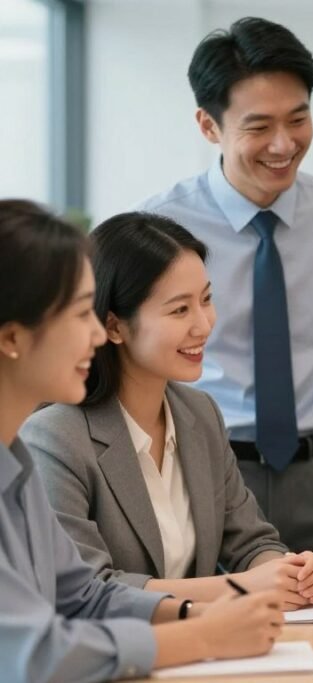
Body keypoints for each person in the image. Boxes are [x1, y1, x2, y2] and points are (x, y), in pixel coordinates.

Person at [139, 17, 313, 579]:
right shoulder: (159, 226)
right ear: (209, 125)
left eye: (298, 119)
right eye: (259, 126)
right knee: (210, 621)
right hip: (200, 466)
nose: (284, 144)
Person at [0, 200, 285, 682]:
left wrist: (200, 615)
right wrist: (204, 635)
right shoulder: (48, 440)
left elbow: (83, 596)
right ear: (12, 338)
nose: (97, 334)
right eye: (80, 314)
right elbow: (34, 655)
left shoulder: (15, 460)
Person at [21, 212, 313, 608]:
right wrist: (241, 587)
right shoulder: (54, 438)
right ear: (113, 327)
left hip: (201, 641)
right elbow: (83, 590)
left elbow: (251, 542)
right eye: (180, 310)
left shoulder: (200, 413)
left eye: (206, 300)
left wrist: (290, 572)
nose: (204, 325)